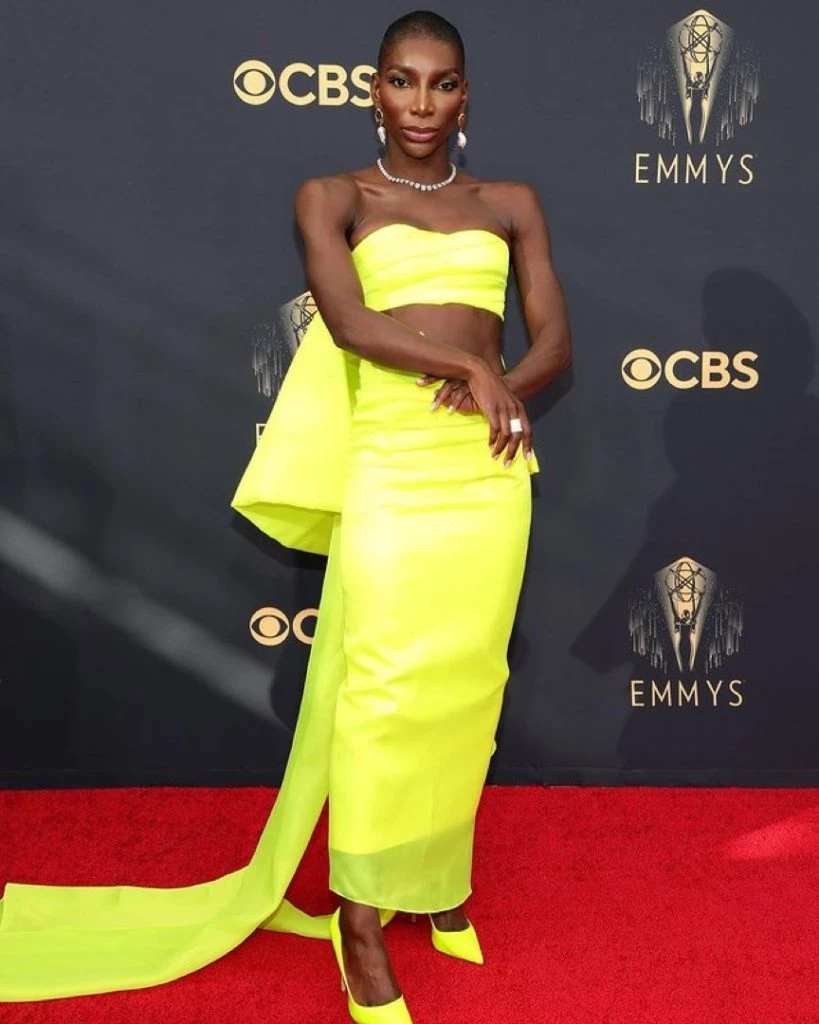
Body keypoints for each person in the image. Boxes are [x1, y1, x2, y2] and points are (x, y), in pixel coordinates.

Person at [0, 10, 572, 1021]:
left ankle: (436, 880)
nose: (422, 102)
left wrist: (504, 388)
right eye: (402, 80)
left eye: (442, 83)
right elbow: (348, 322)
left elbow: (555, 344)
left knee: (467, 683)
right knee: (386, 690)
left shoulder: (511, 202)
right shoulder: (333, 196)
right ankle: (359, 917)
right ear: (374, 90)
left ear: (465, 97)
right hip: (391, 461)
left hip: (486, 466)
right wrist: (473, 366)